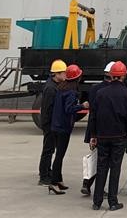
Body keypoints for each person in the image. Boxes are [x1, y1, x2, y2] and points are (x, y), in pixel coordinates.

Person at [89, 61, 127, 212]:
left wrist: (93, 134)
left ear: (111, 75)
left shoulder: (100, 93)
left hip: (102, 136)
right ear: (123, 76)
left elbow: (93, 116)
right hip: (119, 136)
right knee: (115, 169)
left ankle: (97, 201)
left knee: (101, 167)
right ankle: (112, 201)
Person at [47, 64, 84, 194]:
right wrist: (82, 106)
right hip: (63, 127)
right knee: (59, 155)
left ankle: (58, 180)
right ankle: (53, 182)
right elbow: (69, 109)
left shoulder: (61, 88)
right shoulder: (71, 92)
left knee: (59, 154)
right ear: (77, 78)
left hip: (56, 125)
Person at [81, 61, 114, 196]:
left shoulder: (94, 89)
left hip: (94, 128)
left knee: (95, 158)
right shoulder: (111, 90)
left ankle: (87, 182)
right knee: (103, 161)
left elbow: (93, 111)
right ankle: (94, 186)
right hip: (107, 130)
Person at [38, 59, 67, 186]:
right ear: (57, 73)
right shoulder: (50, 88)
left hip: (52, 124)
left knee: (50, 149)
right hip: (50, 124)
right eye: (64, 73)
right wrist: (49, 126)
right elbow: (47, 109)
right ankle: (44, 176)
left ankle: (47, 171)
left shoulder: (54, 85)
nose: (65, 75)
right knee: (48, 150)